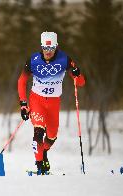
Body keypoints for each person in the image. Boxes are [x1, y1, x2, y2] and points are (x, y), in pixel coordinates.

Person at [17, 31, 85, 175]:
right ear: (41, 47)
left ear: (56, 47)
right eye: (45, 48)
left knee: (52, 136)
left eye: (51, 48)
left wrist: (77, 74)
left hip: (54, 103)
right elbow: (22, 81)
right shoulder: (33, 60)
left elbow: (80, 83)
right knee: (38, 132)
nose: (48, 52)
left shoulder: (65, 59)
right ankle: (40, 165)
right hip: (37, 101)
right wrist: (23, 104)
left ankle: (44, 152)